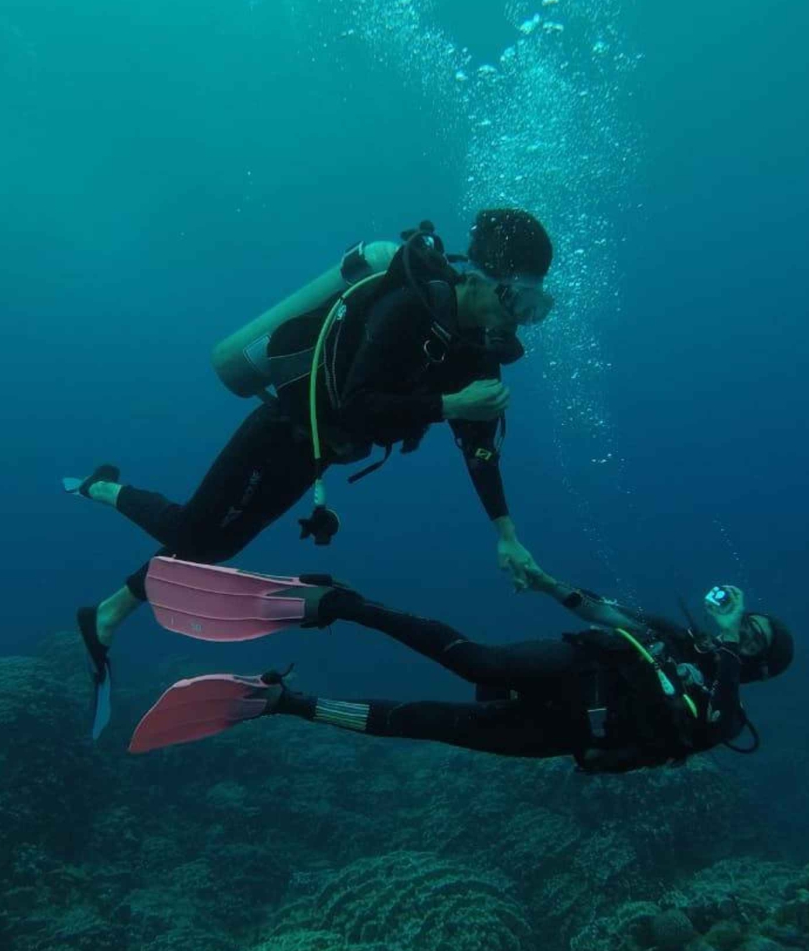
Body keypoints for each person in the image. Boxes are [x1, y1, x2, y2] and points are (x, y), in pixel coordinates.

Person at [66, 211, 558, 736]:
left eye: (535, 306)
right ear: (478, 278)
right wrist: (451, 405)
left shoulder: (479, 351)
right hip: (284, 429)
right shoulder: (409, 308)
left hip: (320, 451)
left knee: (210, 546)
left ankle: (106, 611)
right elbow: (359, 404)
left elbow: (479, 445)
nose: (521, 319)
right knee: (192, 536)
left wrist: (506, 534)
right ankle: (103, 492)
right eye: (515, 300)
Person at [127, 557, 795, 773]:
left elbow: (713, 719)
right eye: (745, 622)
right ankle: (338, 602)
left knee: (433, 722)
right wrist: (543, 581)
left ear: (758, 660)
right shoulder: (679, 637)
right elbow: (607, 613)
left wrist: (734, 646)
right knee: (474, 657)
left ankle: (281, 702)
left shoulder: (726, 710)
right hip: (573, 671)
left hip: (564, 734)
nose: (738, 629)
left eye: (753, 634)